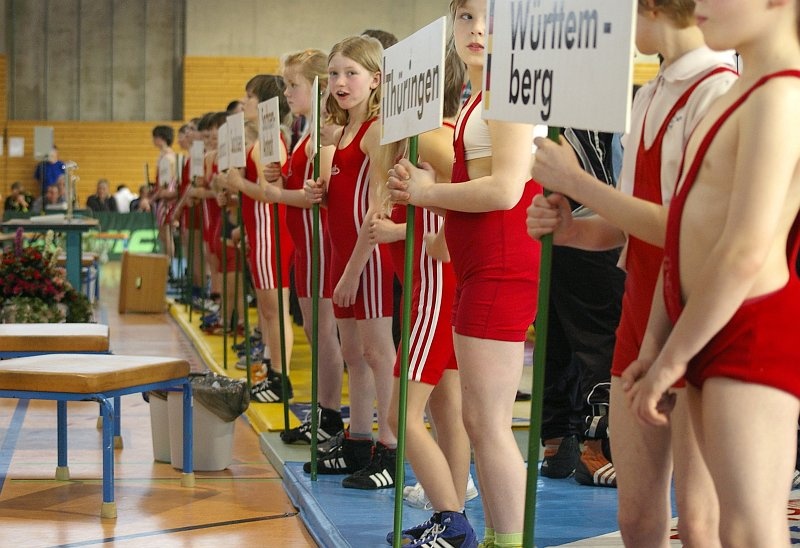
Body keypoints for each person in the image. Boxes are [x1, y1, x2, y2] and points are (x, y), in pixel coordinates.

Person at [526, 1, 737, 545]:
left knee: (697, 518)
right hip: (641, 307)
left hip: (698, 316)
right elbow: (628, 217)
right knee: (637, 518)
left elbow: (689, 228)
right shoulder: (649, 93)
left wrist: (578, 182)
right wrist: (572, 231)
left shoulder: (719, 89)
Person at [624, 0, 800, 546]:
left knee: (748, 528)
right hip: (703, 321)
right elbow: (681, 235)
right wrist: (655, 344)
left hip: (751, 327)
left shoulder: (782, 98)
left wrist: (668, 356)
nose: (697, 5)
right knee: (728, 528)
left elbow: (746, 248)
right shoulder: (734, 96)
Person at [387, 1, 544, 544]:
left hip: (501, 265)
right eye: (465, 18)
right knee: (482, 424)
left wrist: (428, 193)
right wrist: (438, 231)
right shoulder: (479, 96)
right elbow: (478, 192)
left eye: (489, 18)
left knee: (490, 426)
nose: (476, 30)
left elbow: (504, 190)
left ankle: (508, 539)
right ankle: (503, 536)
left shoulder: (505, 92)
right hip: (482, 264)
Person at [374, 33, 478, 544]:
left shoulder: (435, 136)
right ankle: (451, 514)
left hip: (435, 286)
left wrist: (420, 234)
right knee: (446, 410)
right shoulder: (412, 136)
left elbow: (470, 201)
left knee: (400, 413)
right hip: (426, 284)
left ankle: (451, 521)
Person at [303, 35, 398, 490]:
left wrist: (354, 268)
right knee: (354, 357)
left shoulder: (377, 130)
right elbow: (338, 195)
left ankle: (391, 447)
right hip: (344, 255)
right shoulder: (339, 132)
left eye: (351, 73)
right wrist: (317, 191)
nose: (340, 82)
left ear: (376, 80)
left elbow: (377, 208)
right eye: (335, 73)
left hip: (369, 258)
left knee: (380, 354)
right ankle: (358, 438)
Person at [265, 49, 346, 442]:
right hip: (305, 245)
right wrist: (279, 176)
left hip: (319, 243)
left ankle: (330, 415)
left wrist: (275, 192)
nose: (286, 92)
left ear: (316, 85)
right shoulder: (308, 133)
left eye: (292, 84)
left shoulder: (323, 133)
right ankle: (323, 408)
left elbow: (316, 196)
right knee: (318, 333)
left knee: (323, 332)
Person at [537, 129, 625, 488]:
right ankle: (597, 445)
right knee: (592, 335)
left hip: (567, 215)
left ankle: (560, 442)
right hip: (587, 215)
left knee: (560, 333)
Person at [223, 74, 295, 403]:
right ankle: (271, 368)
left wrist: (238, 184)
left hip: (271, 230)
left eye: (249, 96)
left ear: (264, 101)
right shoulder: (266, 140)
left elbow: (271, 194)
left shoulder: (272, 140)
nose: (245, 102)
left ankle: (281, 378)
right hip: (261, 230)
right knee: (268, 311)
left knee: (274, 309)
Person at [150, 125, 178, 261]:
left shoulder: (167, 158)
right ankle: (168, 263)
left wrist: (155, 196)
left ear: (161, 138)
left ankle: (169, 264)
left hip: (166, 199)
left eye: (155, 137)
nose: (153, 140)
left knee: (165, 234)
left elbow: (166, 183)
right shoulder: (166, 156)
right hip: (164, 197)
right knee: (164, 234)